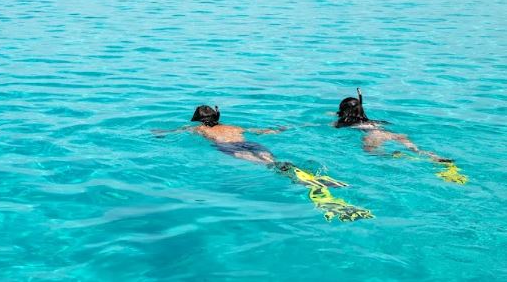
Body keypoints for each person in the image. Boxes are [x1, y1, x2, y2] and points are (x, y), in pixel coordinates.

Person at [156, 104, 374, 221]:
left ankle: (304, 182)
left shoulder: (199, 129)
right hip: (251, 143)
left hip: (230, 148)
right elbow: (258, 131)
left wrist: (161, 133)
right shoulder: (234, 126)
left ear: (199, 119)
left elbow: (177, 131)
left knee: (268, 166)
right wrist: (275, 130)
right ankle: (304, 175)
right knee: (273, 160)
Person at [335, 88, 467, 184]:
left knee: (370, 151)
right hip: (389, 133)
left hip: (374, 135)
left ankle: (398, 155)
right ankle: (435, 157)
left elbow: (335, 124)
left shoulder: (344, 123)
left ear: (344, 110)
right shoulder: (369, 120)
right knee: (416, 150)